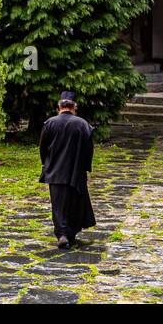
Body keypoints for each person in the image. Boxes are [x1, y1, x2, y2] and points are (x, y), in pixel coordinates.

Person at [38, 91, 96, 248]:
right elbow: (88, 149)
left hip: (55, 171)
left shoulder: (49, 123)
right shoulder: (83, 125)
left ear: (59, 107)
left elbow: (43, 148)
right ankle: (70, 233)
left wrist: (46, 165)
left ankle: (62, 234)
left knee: (58, 205)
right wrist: (85, 167)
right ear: (74, 108)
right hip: (76, 171)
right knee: (75, 203)